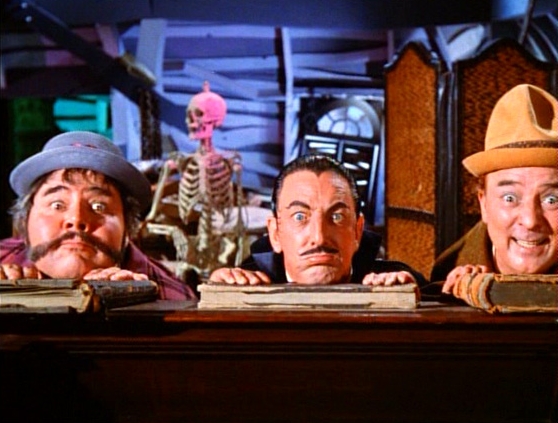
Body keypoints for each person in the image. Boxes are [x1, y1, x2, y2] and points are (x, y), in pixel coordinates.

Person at [0, 131, 197, 300]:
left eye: (99, 207)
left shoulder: (171, 299)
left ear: (128, 229)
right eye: (57, 205)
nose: (76, 219)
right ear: (25, 221)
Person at [210, 154, 426, 286]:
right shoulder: (247, 283)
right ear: (275, 234)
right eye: (300, 217)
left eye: (337, 217)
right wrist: (215, 295)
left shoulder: (391, 280)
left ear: (357, 231)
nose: (319, 237)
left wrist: (408, 298)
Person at [430, 84, 558, 295]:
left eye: (551, 200)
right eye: (509, 198)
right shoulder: (447, 278)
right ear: (483, 204)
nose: (530, 221)